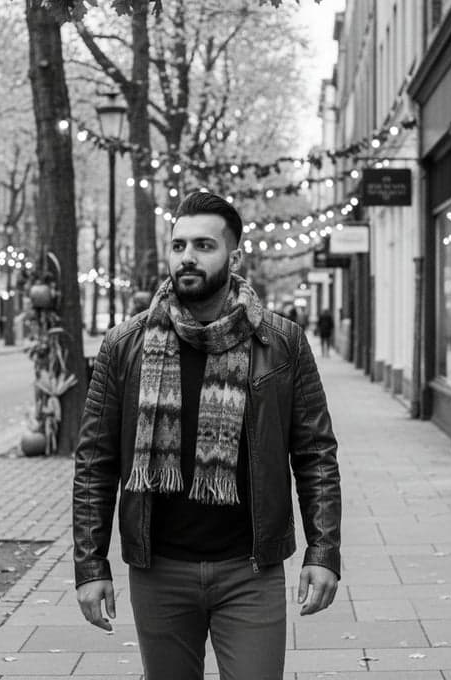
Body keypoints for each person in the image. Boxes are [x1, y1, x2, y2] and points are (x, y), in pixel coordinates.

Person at [73, 191, 341, 680]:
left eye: (204, 245)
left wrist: (323, 552)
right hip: (159, 571)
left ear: (234, 255)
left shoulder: (281, 342)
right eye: (178, 246)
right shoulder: (125, 345)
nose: (187, 258)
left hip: (250, 570)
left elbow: (315, 453)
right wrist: (90, 566)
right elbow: (95, 462)